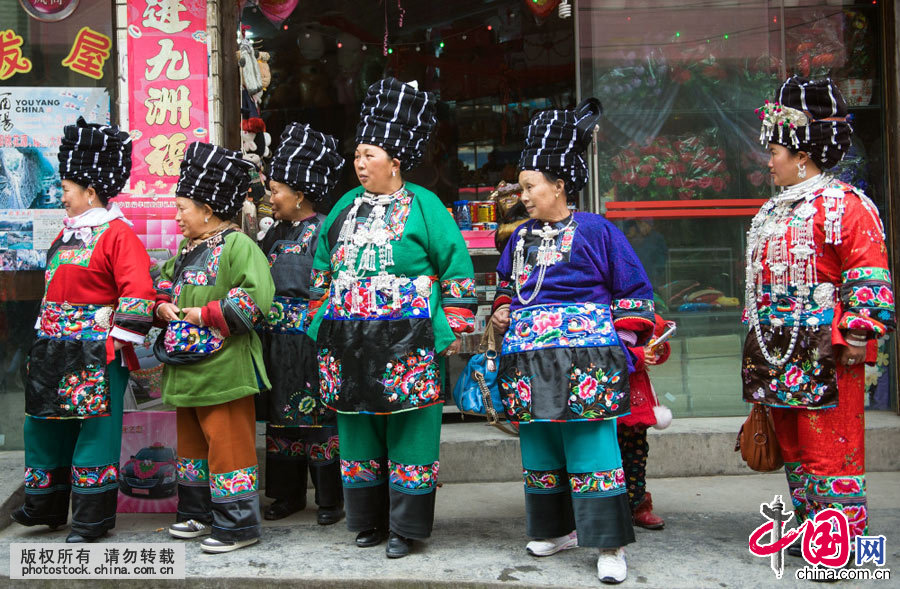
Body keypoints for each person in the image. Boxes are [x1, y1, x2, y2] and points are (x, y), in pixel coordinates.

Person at [307, 77, 476, 559]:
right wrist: (321, 322)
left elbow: (457, 271)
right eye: (357, 155)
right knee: (358, 426)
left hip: (410, 339)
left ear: (395, 161)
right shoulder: (343, 206)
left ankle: (407, 528)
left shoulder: (426, 206)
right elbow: (321, 270)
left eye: (370, 155)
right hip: (349, 339)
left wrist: (449, 326)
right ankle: (369, 521)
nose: (360, 164)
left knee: (411, 430)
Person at [491, 98, 655, 585]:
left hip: (587, 360)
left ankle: (609, 544)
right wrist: (502, 309)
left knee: (590, 448)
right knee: (540, 447)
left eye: (529, 186)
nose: (522, 195)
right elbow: (506, 286)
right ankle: (556, 530)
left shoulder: (598, 231)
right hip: (527, 360)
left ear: (559, 185)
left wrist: (621, 346)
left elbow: (634, 293)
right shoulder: (518, 238)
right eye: (520, 187)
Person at [743, 76, 894, 558]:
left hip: (825, 351)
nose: (769, 161)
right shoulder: (771, 210)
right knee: (793, 445)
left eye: (775, 152)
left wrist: (857, 330)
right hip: (776, 349)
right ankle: (813, 530)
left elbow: (868, 273)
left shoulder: (848, 208)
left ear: (801, 154)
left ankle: (842, 546)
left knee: (829, 446)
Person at [13, 118, 155, 543]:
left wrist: (116, 340)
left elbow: (139, 292)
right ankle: (46, 505)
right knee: (43, 423)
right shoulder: (68, 232)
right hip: (54, 349)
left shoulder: (118, 235)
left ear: (90, 192)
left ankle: (91, 519)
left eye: (67, 191)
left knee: (95, 431)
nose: (62, 198)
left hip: (96, 353)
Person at [153, 142, 275, 553]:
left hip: (224, 366)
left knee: (228, 445)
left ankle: (237, 525)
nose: (177, 215)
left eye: (182, 207)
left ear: (206, 209)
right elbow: (163, 282)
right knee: (191, 445)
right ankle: (197, 512)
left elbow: (257, 297)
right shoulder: (187, 250)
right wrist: (162, 304)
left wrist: (202, 314)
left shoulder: (239, 246)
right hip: (188, 365)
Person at [256, 122, 345, 524]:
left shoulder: (326, 230)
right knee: (281, 418)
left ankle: (330, 499)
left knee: (319, 419)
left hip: (312, 339)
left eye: (276, 191)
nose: (271, 197)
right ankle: (287, 494)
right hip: (276, 343)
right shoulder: (272, 233)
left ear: (300, 194)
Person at [617, 314, 671, 531]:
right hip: (610, 394)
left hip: (637, 399)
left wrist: (657, 348)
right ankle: (612, 506)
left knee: (636, 455)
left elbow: (658, 343)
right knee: (612, 457)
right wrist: (637, 355)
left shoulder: (640, 310)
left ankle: (638, 504)